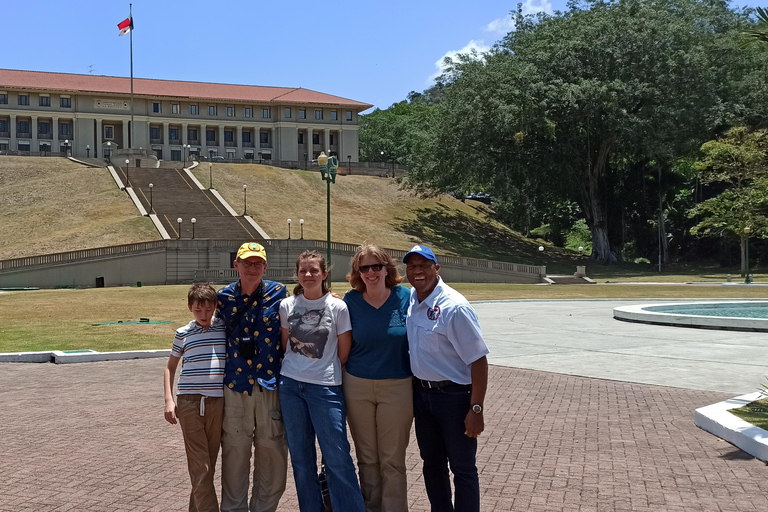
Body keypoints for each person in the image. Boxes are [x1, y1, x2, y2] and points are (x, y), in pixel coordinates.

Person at [278, 250, 366, 512]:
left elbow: (343, 351)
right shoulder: (287, 306)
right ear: (297, 274)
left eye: (314, 270)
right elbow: (286, 345)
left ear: (324, 274)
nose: (308, 275)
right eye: (303, 270)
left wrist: (322, 371)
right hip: (291, 386)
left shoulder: (338, 307)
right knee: (301, 461)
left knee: (337, 457)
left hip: (325, 388)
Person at [403, 245, 489, 512]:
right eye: (412, 265)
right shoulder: (412, 299)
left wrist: (476, 408)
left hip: (454, 397)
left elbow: (478, 360)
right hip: (422, 396)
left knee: (462, 467)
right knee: (432, 463)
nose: (417, 270)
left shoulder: (454, 307)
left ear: (436, 268)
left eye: (424, 264)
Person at [217, 242, 289, 512]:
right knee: (235, 452)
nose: (252, 268)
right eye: (246, 262)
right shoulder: (223, 298)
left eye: (258, 263)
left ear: (265, 267)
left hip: (269, 384)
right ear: (235, 265)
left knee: (272, 452)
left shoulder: (277, 292)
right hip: (236, 385)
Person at [343, 244, 412, 512]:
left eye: (376, 266)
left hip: (397, 385)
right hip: (357, 385)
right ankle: (371, 507)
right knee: (367, 458)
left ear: (387, 268)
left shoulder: (405, 297)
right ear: (357, 272)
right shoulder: (349, 301)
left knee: (392, 459)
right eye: (365, 268)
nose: (371, 273)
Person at [163, 283, 227, 512]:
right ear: (190, 307)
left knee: (206, 465)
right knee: (201, 468)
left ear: (215, 307)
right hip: (189, 402)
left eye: (209, 309)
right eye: (198, 309)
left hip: (217, 403)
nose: (204, 314)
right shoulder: (183, 333)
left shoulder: (223, 328)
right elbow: (170, 367)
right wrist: (169, 401)